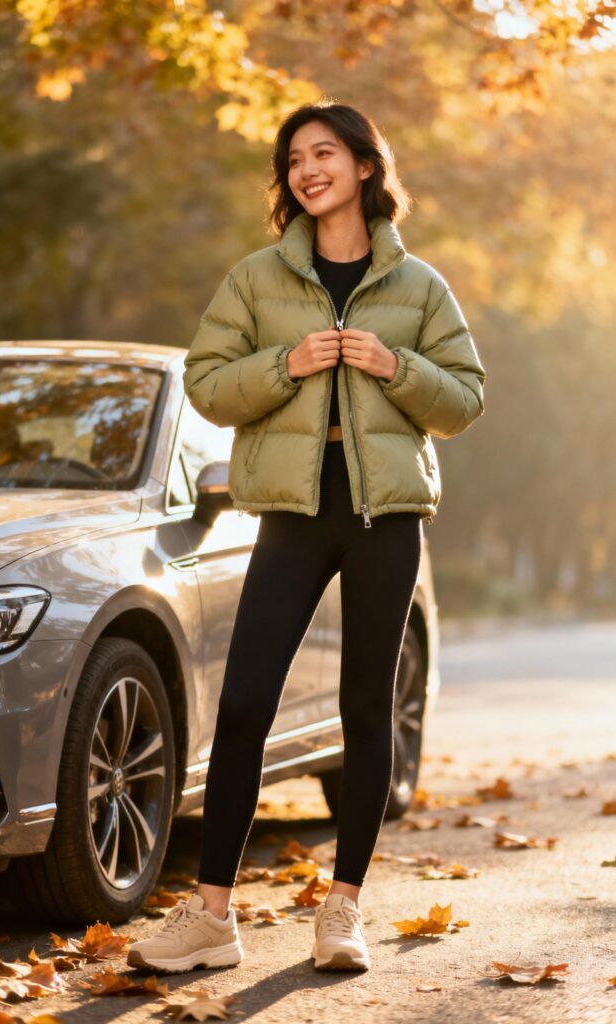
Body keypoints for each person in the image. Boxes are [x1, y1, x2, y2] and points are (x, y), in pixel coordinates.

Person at [128, 101, 486, 975]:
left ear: (366, 166)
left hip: (382, 518)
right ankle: (212, 919)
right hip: (290, 510)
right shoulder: (255, 280)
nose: (305, 169)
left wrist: (389, 365)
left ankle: (344, 909)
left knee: (365, 713)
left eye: (324, 152)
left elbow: (465, 400)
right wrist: (284, 365)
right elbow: (208, 384)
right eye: (293, 158)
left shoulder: (418, 287)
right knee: (245, 703)